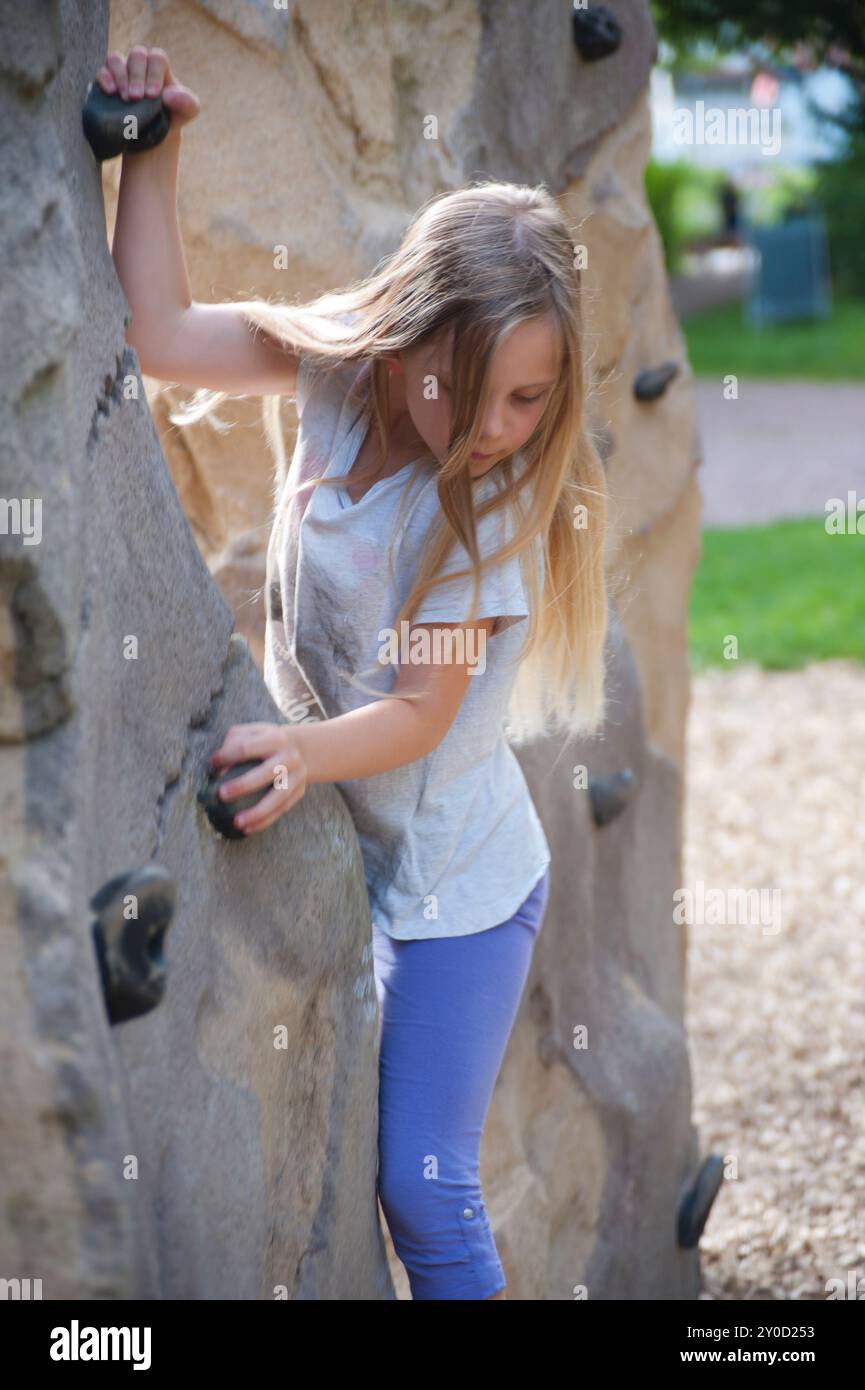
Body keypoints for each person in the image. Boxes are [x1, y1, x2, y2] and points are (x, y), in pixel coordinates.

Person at [99, 45, 610, 1300]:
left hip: (455, 895)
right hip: (339, 836)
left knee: (422, 1186)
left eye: (530, 403)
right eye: (475, 393)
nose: (498, 432)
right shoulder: (337, 377)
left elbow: (421, 716)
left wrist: (297, 749)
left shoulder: (486, 518)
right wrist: (153, 149)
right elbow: (159, 333)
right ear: (406, 340)